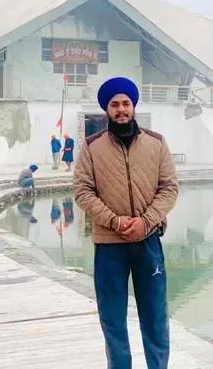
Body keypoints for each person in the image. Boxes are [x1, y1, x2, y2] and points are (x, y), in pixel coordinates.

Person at [73, 77, 178, 369]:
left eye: (126, 103)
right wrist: (115, 221)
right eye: (114, 104)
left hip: (148, 243)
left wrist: (146, 222)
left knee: (156, 317)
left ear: (133, 106)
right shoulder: (92, 148)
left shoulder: (156, 144)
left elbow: (169, 188)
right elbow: (82, 191)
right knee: (113, 320)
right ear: (106, 109)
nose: (121, 109)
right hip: (110, 247)